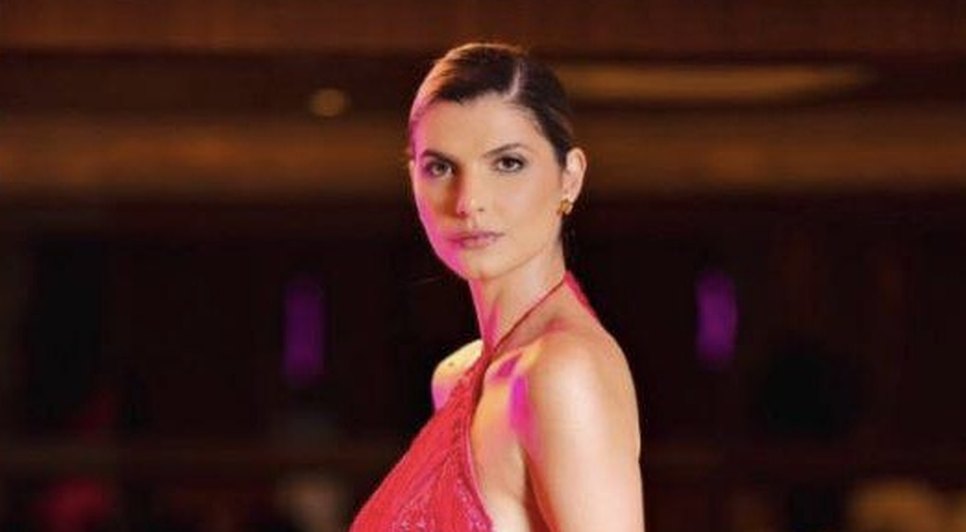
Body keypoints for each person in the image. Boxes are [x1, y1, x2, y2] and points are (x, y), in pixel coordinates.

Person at [351, 42, 644, 531]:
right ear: (412, 178)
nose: (468, 201)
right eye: (440, 167)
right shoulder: (457, 377)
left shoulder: (563, 373)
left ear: (569, 178)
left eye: (507, 163)